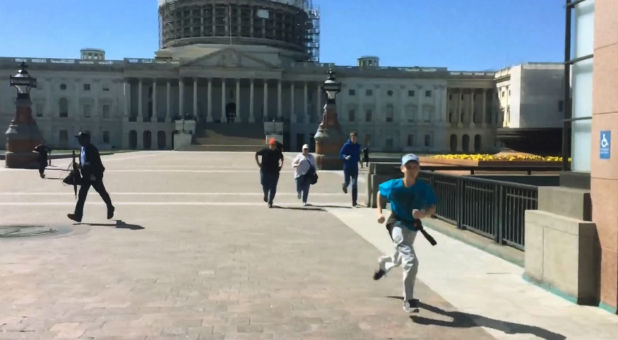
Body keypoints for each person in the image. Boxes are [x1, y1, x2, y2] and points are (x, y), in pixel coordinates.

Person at [373, 153, 437, 313]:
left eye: (415, 167)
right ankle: (408, 301)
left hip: (413, 225)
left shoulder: (423, 188)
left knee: (399, 257)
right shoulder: (394, 185)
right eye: (408, 167)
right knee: (411, 261)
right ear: (402, 169)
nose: (412, 170)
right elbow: (380, 193)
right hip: (396, 223)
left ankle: (384, 263)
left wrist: (423, 214)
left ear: (419, 169)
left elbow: (432, 207)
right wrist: (379, 212)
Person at [67, 131, 115, 223]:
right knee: (82, 195)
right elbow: (84, 161)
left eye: (80, 139)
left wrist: (93, 175)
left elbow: (95, 164)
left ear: (86, 139)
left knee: (102, 192)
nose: (79, 140)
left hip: (94, 175)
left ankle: (110, 207)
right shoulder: (82, 148)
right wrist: (78, 166)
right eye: (78, 139)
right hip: (86, 176)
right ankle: (77, 216)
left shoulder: (92, 149)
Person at [255, 138, 284, 208]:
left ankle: (270, 201)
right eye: (272, 145)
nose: (273, 146)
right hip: (264, 171)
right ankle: (265, 194)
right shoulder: (265, 150)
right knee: (264, 185)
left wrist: (281, 166)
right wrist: (258, 163)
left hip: (275, 172)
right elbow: (256, 154)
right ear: (269, 145)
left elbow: (282, 158)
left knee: (273, 188)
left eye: (274, 145)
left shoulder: (278, 151)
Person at [339, 131, 362, 207]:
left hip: (355, 167)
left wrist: (360, 161)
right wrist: (345, 157)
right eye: (353, 138)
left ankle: (354, 201)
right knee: (348, 182)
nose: (354, 139)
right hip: (347, 167)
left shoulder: (358, 146)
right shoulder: (346, 145)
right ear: (351, 138)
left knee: (354, 184)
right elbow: (341, 153)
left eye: (355, 138)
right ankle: (344, 186)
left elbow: (358, 155)